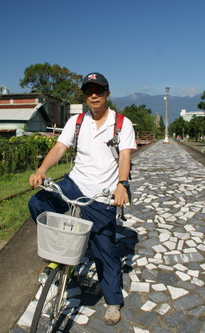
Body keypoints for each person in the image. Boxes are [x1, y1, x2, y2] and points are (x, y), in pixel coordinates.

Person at [28, 72, 137, 326]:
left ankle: (112, 301)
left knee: (106, 250)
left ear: (107, 94)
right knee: (37, 204)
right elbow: (59, 147)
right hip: (74, 184)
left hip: (102, 194)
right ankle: (59, 257)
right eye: (89, 91)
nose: (94, 95)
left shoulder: (122, 123)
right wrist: (42, 170)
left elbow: (124, 157)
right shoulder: (77, 121)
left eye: (98, 90)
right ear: (84, 95)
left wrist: (122, 185)